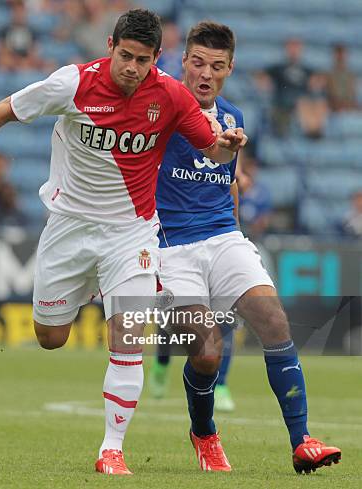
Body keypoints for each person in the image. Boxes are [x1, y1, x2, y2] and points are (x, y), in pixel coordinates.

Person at [0, 9, 246, 475]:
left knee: (128, 338)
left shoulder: (172, 96)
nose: (132, 68)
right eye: (125, 56)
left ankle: (111, 450)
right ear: (111, 45)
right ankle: (97, 294)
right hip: (70, 227)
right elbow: (5, 109)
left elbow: (209, 147)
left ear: (157, 58)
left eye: (143, 60)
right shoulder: (72, 83)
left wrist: (228, 145)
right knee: (51, 337)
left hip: (131, 232)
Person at [152, 21, 341, 474]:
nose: (205, 74)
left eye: (216, 66)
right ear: (184, 62)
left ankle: (302, 441)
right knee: (207, 352)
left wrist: (235, 243)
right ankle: (204, 432)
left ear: (230, 68)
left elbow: (229, 182)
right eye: (197, 63)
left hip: (223, 237)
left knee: (274, 320)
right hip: (170, 245)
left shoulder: (234, 116)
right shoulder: (158, 109)